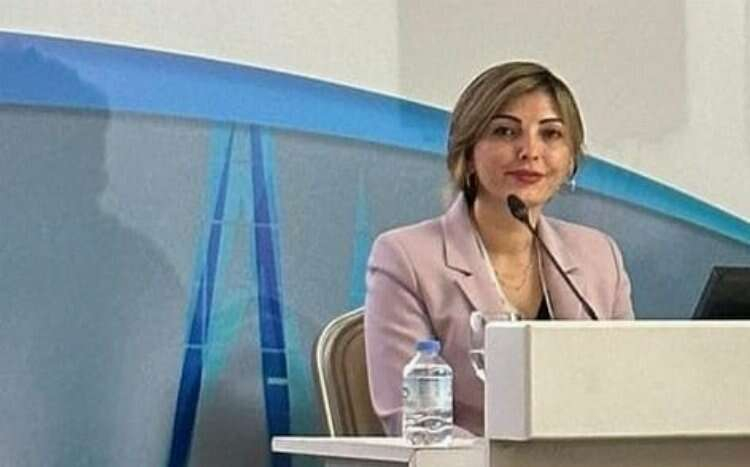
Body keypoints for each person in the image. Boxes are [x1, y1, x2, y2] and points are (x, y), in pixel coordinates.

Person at [364, 61, 634, 436]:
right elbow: (410, 418)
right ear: (468, 152)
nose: (530, 151)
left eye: (551, 134)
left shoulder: (599, 256)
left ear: (571, 158)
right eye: (506, 131)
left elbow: (628, 395)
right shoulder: (405, 258)